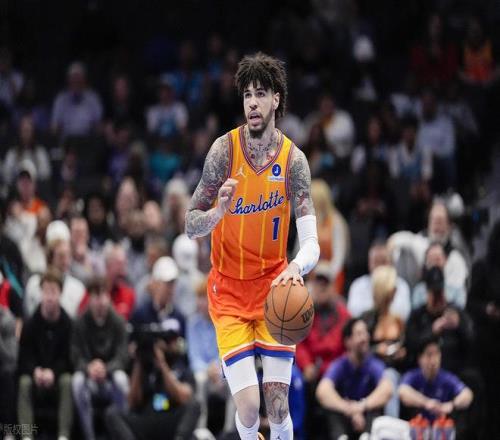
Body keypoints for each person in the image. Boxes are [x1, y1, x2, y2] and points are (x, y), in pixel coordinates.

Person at [185, 52, 320, 440]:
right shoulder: (223, 152)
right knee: (247, 406)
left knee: (277, 407)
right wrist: (217, 212)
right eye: (247, 95)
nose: (253, 103)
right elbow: (190, 223)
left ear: (276, 99)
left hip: (273, 291)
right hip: (228, 292)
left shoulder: (293, 161)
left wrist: (296, 267)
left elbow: (311, 243)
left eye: (260, 94)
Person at [105, 327, 200, 440]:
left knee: (194, 404)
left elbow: (183, 397)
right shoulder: (141, 367)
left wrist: (162, 363)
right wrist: (139, 360)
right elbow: (132, 402)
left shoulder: (179, 366)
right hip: (145, 419)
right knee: (112, 412)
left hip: (169, 418)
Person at [17, 269, 73, 440]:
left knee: (67, 381)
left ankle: (63, 435)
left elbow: (69, 359)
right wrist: (35, 371)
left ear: (60, 293)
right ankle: (26, 435)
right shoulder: (30, 324)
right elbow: (24, 357)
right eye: (46, 291)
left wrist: (53, 373)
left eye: (53, 291)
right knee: (24, 382)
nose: (49, 297)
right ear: (41, 293)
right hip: (36, 375)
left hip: (57, 376)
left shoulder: (68, 324)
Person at [71, 276, 129, 440]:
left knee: (122, 379)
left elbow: (123, 356)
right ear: (89, 298)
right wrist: (88, 368)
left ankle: (121, 434)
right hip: (89, 379)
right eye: (96, 296)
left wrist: (106, 369)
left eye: (104, 295)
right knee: (77, 381)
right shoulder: (79, 322)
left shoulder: (118, 321)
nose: (101, 301)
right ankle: (89, 436)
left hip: (110, 379)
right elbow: (75, 355)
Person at [315, 318, 393, 439]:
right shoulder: (340, 365)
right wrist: (348, 409)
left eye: (366, 333)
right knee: (331, 410)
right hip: (345, 419)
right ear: (348, 341)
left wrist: (361, 406)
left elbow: (387, 389)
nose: (365, 338)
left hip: (366, 419)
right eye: (359, 334)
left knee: (375, 408)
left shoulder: (374, 364)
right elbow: (322, 391)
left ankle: (367, 437)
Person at [399, 335, 473, 437]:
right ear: (420, 358)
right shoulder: (413, 376)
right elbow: (403, 392)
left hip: (440, 430)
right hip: (417, 429)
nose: (433, 360)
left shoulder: (447, 378)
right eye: (429, 355)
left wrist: (451, 405)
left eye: (436, 354)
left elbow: (467, 394)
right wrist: (426, 403)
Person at [347, 242, 411, 322]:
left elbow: (402, 313)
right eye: (376, 262)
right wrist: (383, 306)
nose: (380, 267)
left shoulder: (401, 285)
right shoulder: (358, 285)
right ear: (369, 264)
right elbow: (354, 312)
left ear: (391, 263)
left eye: (383, 262)